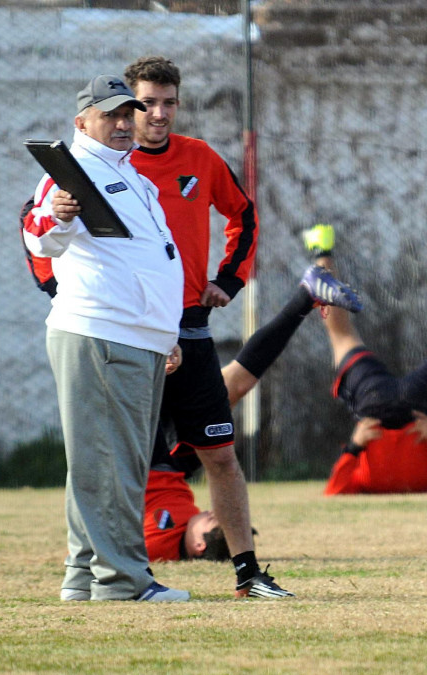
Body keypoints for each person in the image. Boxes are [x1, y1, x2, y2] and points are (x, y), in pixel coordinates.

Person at [122, 55, 304, 597]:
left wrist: (229, 279)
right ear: (130, 105)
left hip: (191, 328)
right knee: (125, 459)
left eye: (168, 103)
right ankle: (125, 574)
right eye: (148, 103)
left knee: (220, 455)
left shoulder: (198, 158)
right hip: (132, 330)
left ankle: (250, 574)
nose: (158, 114)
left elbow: (242, 215)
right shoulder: (111, 166)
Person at [21, 75, 187, 601]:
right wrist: (57, 218)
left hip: (133, 335)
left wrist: (166, 332)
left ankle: (83, 576)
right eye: (110, 115)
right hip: (101, 333)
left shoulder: (126, 170)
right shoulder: (75, 171)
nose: (122, 123)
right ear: (81, 122)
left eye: (126, 113)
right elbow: (41, 231)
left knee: (104, 460)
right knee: (113, 461)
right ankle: (122, 581)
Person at [144, 265, 358, 561]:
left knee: (151, 382)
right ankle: (307, 295)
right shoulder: (191, 531)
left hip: (142, 462)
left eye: (213, 519)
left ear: (199, 546)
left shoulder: (156, 549)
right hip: (177, 465)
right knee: (237, 385)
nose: (212, 510)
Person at [307, 221, 427, 495]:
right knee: (341, 336)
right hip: (413, 413)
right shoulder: (380, 485)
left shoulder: (367, 485)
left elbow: (333, 494)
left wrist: (355, 446)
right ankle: (321, 247)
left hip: (391, 413)